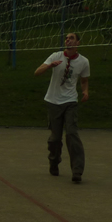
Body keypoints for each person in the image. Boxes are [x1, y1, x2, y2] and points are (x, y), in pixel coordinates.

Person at [34, 32, 89, 183]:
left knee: (72, 134)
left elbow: (84, 80)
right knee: (55, 139)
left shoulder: (84, 61)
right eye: (67, 38)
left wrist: (85, 91)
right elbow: (37, 72)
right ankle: (54, 161)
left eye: (71, 38)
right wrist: (49, 65)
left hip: (70, 101)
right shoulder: (56, 56)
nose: (68, 40)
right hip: (53, 101)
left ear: (77, 43)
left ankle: (77, 171)